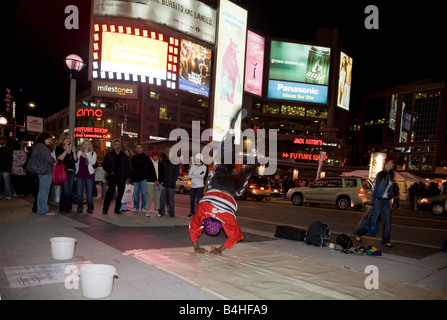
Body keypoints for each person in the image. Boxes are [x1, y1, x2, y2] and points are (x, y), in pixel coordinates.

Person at [355, 156, 395, 247]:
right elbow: (375, 189)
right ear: (384, 165)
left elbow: (391, 189)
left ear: (393, 166)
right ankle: (358, 233)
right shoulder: (380, 175)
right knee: (371, 220)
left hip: (386, 202)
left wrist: (393, 198)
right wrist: (371, 202)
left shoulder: (391, 176)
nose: (389, 165)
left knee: (387, 222)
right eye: (387, 163)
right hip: (378, 200)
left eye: (391, 164)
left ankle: (386, 241)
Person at [102, 139, 131, 214]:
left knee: (120, 193)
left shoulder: (124, 156)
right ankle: (105, 209)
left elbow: (128, 167)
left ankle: (117, 209)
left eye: (119, 145)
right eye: (116, 144)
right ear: (113, 146)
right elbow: (105, 164)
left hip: (122, 176)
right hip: (113, 176)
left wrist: (127, 177)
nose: (118, 146)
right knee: (109, 193)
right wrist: (110, 172)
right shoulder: (109, 155)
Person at [31, 131, 56, 215]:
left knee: (42, 191)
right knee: (44, 192)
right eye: (49, 139)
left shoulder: (37, 146)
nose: (50, 141)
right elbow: (49, 159)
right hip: (45, 171)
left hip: (41, 171)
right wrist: (54, 160)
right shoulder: (42, 146)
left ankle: (41, 209)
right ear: (44, 138)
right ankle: (43, 210)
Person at [55, 132, 78, 214]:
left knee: (69, 191)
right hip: (63, 171)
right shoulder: (59, 148)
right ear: (63, 139)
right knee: (65, 190)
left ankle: (68, 207)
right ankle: (63, 207)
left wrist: (74, 151)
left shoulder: (71, 148)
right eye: (66, 138)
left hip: (71, 171)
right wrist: (66, 151)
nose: (68, 140)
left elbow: (75, 160)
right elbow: (59, 159)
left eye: (69, 138)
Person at [75, 140, 97, 214]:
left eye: (87, 144)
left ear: (90, 146)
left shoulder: (93, 153)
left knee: (89, 193)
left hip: (89, 176)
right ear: (82, 145)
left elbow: (93, 162)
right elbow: (76, 164)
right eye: (84, 144)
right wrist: (76, 173)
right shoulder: (79, 153)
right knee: (79, 192)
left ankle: (90, 208)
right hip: (79, 175)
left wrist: (87, 154)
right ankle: (80, 207)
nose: (86, 146)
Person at [159, 149, 180, 217]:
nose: (168, 154)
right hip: (164, 183)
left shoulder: (175, 162)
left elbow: (177, 173)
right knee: (162, 198)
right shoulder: (163, 162)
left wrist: (173, 180)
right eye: (167, 153)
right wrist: (161, 180)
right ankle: (162, 211)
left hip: (171, 184)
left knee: (171, 198)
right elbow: (160, 172)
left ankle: (171, 212)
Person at [130, 143, 150, 214]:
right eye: (137, 148)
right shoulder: (133, 158)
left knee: (144, 193)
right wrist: (131, 178)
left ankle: (143, 207)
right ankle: (136, 207)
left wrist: (148, 178)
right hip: (135, 179)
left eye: (140, 147)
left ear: (142, 148)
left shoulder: (146, 158)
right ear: (135, 149)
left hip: (144, 179)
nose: (138, 149)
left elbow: (149, 169)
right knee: (135, 194)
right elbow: (131, 168)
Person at [145, 149, 164, 217]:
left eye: (157, 156)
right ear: (152, 157)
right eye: (154, 156)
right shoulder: (149, 164)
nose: (156, 157)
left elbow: (163, 174)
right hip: (150, 183)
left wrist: (159, 181)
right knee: (149, 196)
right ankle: (147, 211)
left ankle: (156, 211)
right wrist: (154, 180)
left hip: (159, 184)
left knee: (157, 197)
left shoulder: (160, 164)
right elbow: (147, 174)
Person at [188, 153, 207, 218]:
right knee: (192, 200)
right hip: (193, 186)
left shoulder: (204, 167)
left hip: (200, 186)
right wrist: (197, 174)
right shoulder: (193, 166)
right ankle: (192, 213)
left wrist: (194, 174)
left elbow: (201, 176)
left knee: (198, 201)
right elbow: (189, 175)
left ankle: (198, 214)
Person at [0, 135, 13, 200]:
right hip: (1, 167)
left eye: (1, 140)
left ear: (5, 141)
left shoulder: (8, 150)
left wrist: (8, 169)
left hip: (5, 168)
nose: (0, 141)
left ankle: (8, 194)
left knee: (7, 183)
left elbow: (10, 160)